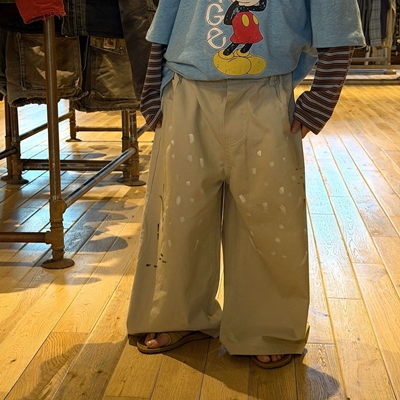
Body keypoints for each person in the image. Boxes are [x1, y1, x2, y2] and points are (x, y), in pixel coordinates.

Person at [126, 0, 365, 369]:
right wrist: (151, 85)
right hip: (185, 86)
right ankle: (176, 313)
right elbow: (171, 11)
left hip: (267, 92)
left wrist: (324, 94)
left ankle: (267, 325)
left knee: (270, 221)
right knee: (179, 214)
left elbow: (336, 13)